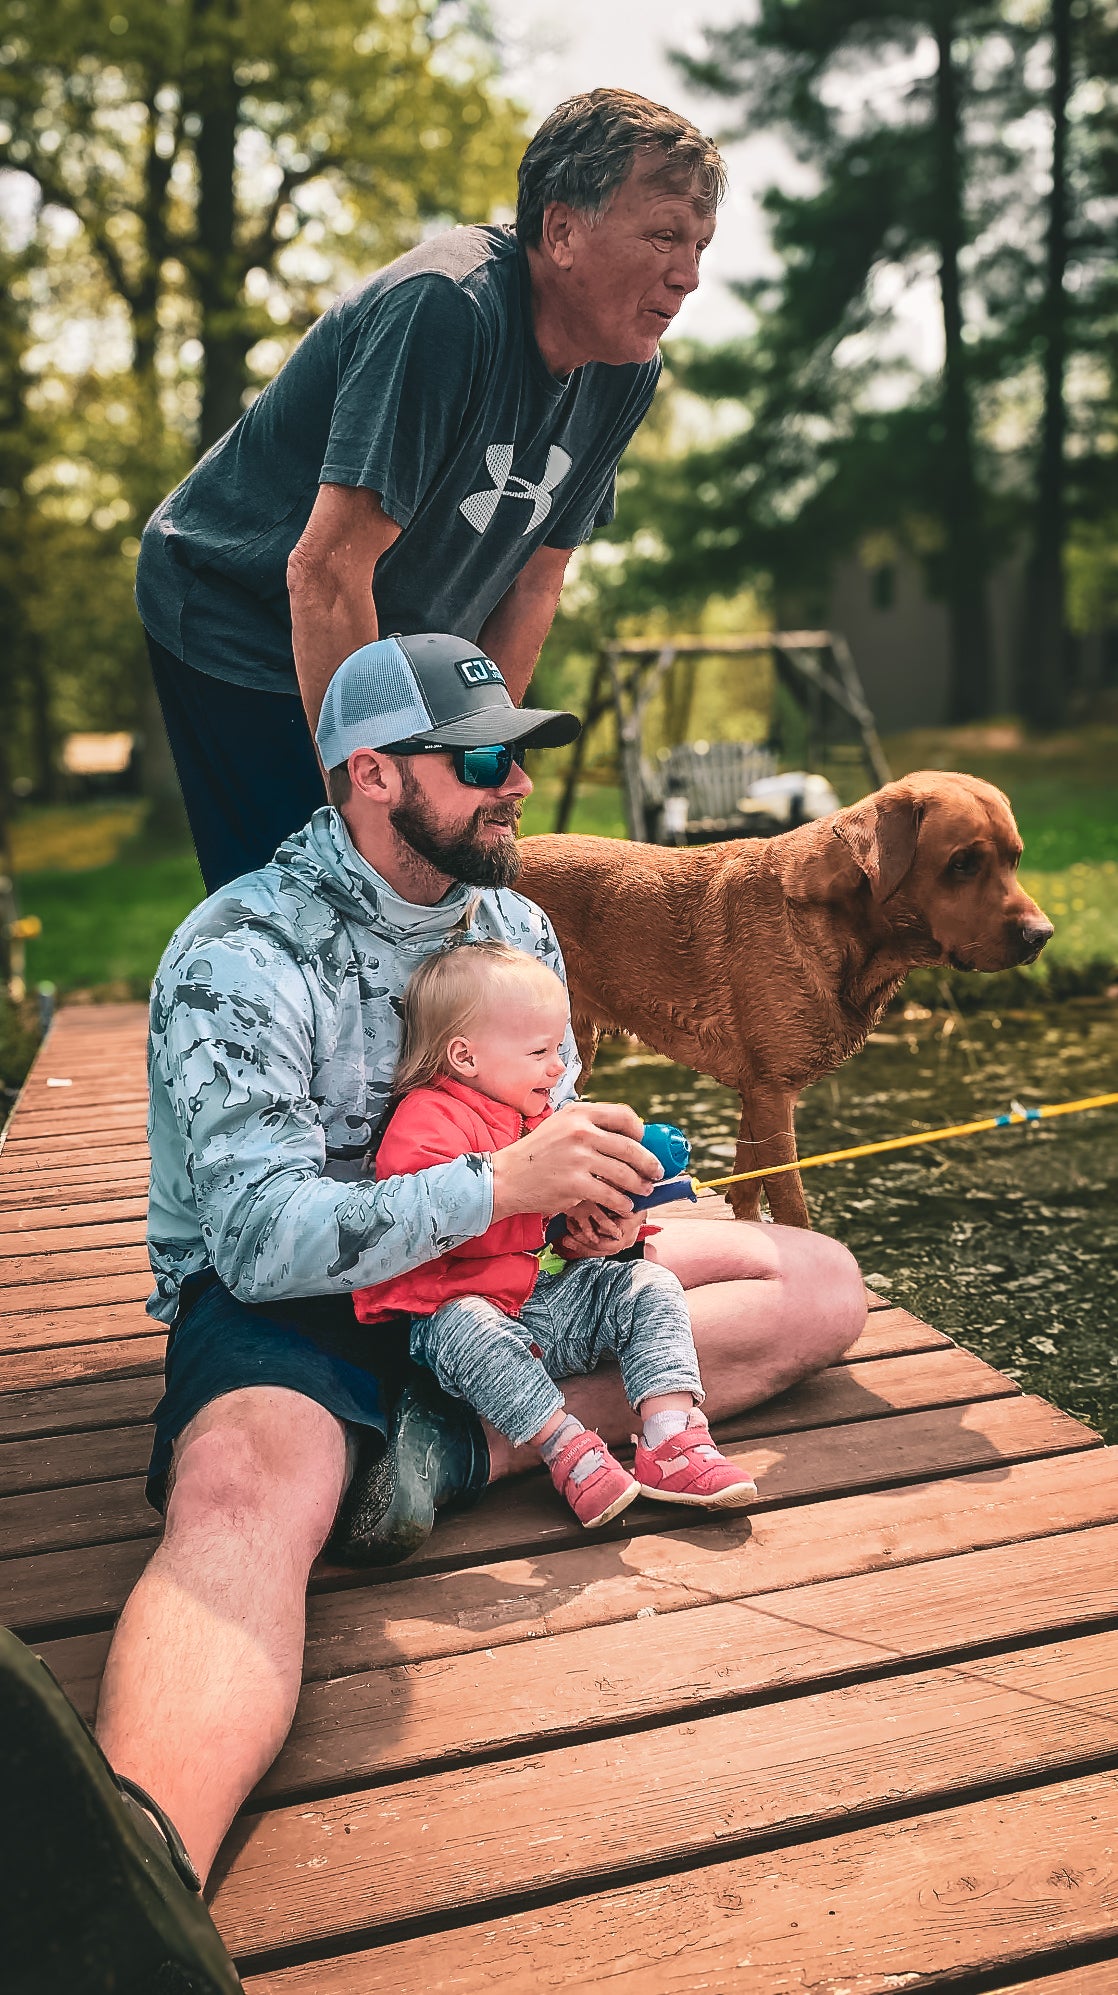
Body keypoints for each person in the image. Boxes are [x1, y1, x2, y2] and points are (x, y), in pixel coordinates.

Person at [5, 632, 866, 1992]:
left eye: (520, 753)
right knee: (239, 1489)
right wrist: (492, 1185)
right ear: (371, 776)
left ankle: (447, 1448)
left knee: (815, 1282)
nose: (516, 784)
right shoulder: (238, 949)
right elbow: (255, 1230)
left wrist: (590, 1193)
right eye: (481, 761)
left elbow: (545, 1117)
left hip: (502, 1271)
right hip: (297, 1295)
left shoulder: (513, 924)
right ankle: (138, 1879)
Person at [135, 88, 727, 891]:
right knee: (319, 889)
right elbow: (324, 572)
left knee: (432, 868)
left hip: (388, 618)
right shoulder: (447, 309)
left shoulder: (626, 372)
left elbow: (534, 581)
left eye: (700, 245)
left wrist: (475, 760)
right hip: (240, 611)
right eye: (663, 235)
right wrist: (370, 806)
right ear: (561, 231)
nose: (688, 275)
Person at [354, 940, 758, 1528]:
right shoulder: (427, 1120)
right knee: (468, 1322)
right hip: (449, 1322)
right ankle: (567, 1449)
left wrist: (585, 1229)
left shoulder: (540, 1117)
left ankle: (674, 1439)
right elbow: (427, 1228)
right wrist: (525, 1186)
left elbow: (550, 1237)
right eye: (540, 1052)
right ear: (464, 1057)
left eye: (559, 1050)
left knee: (646, 1283)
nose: (559, 1069)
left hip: (534, 1306)